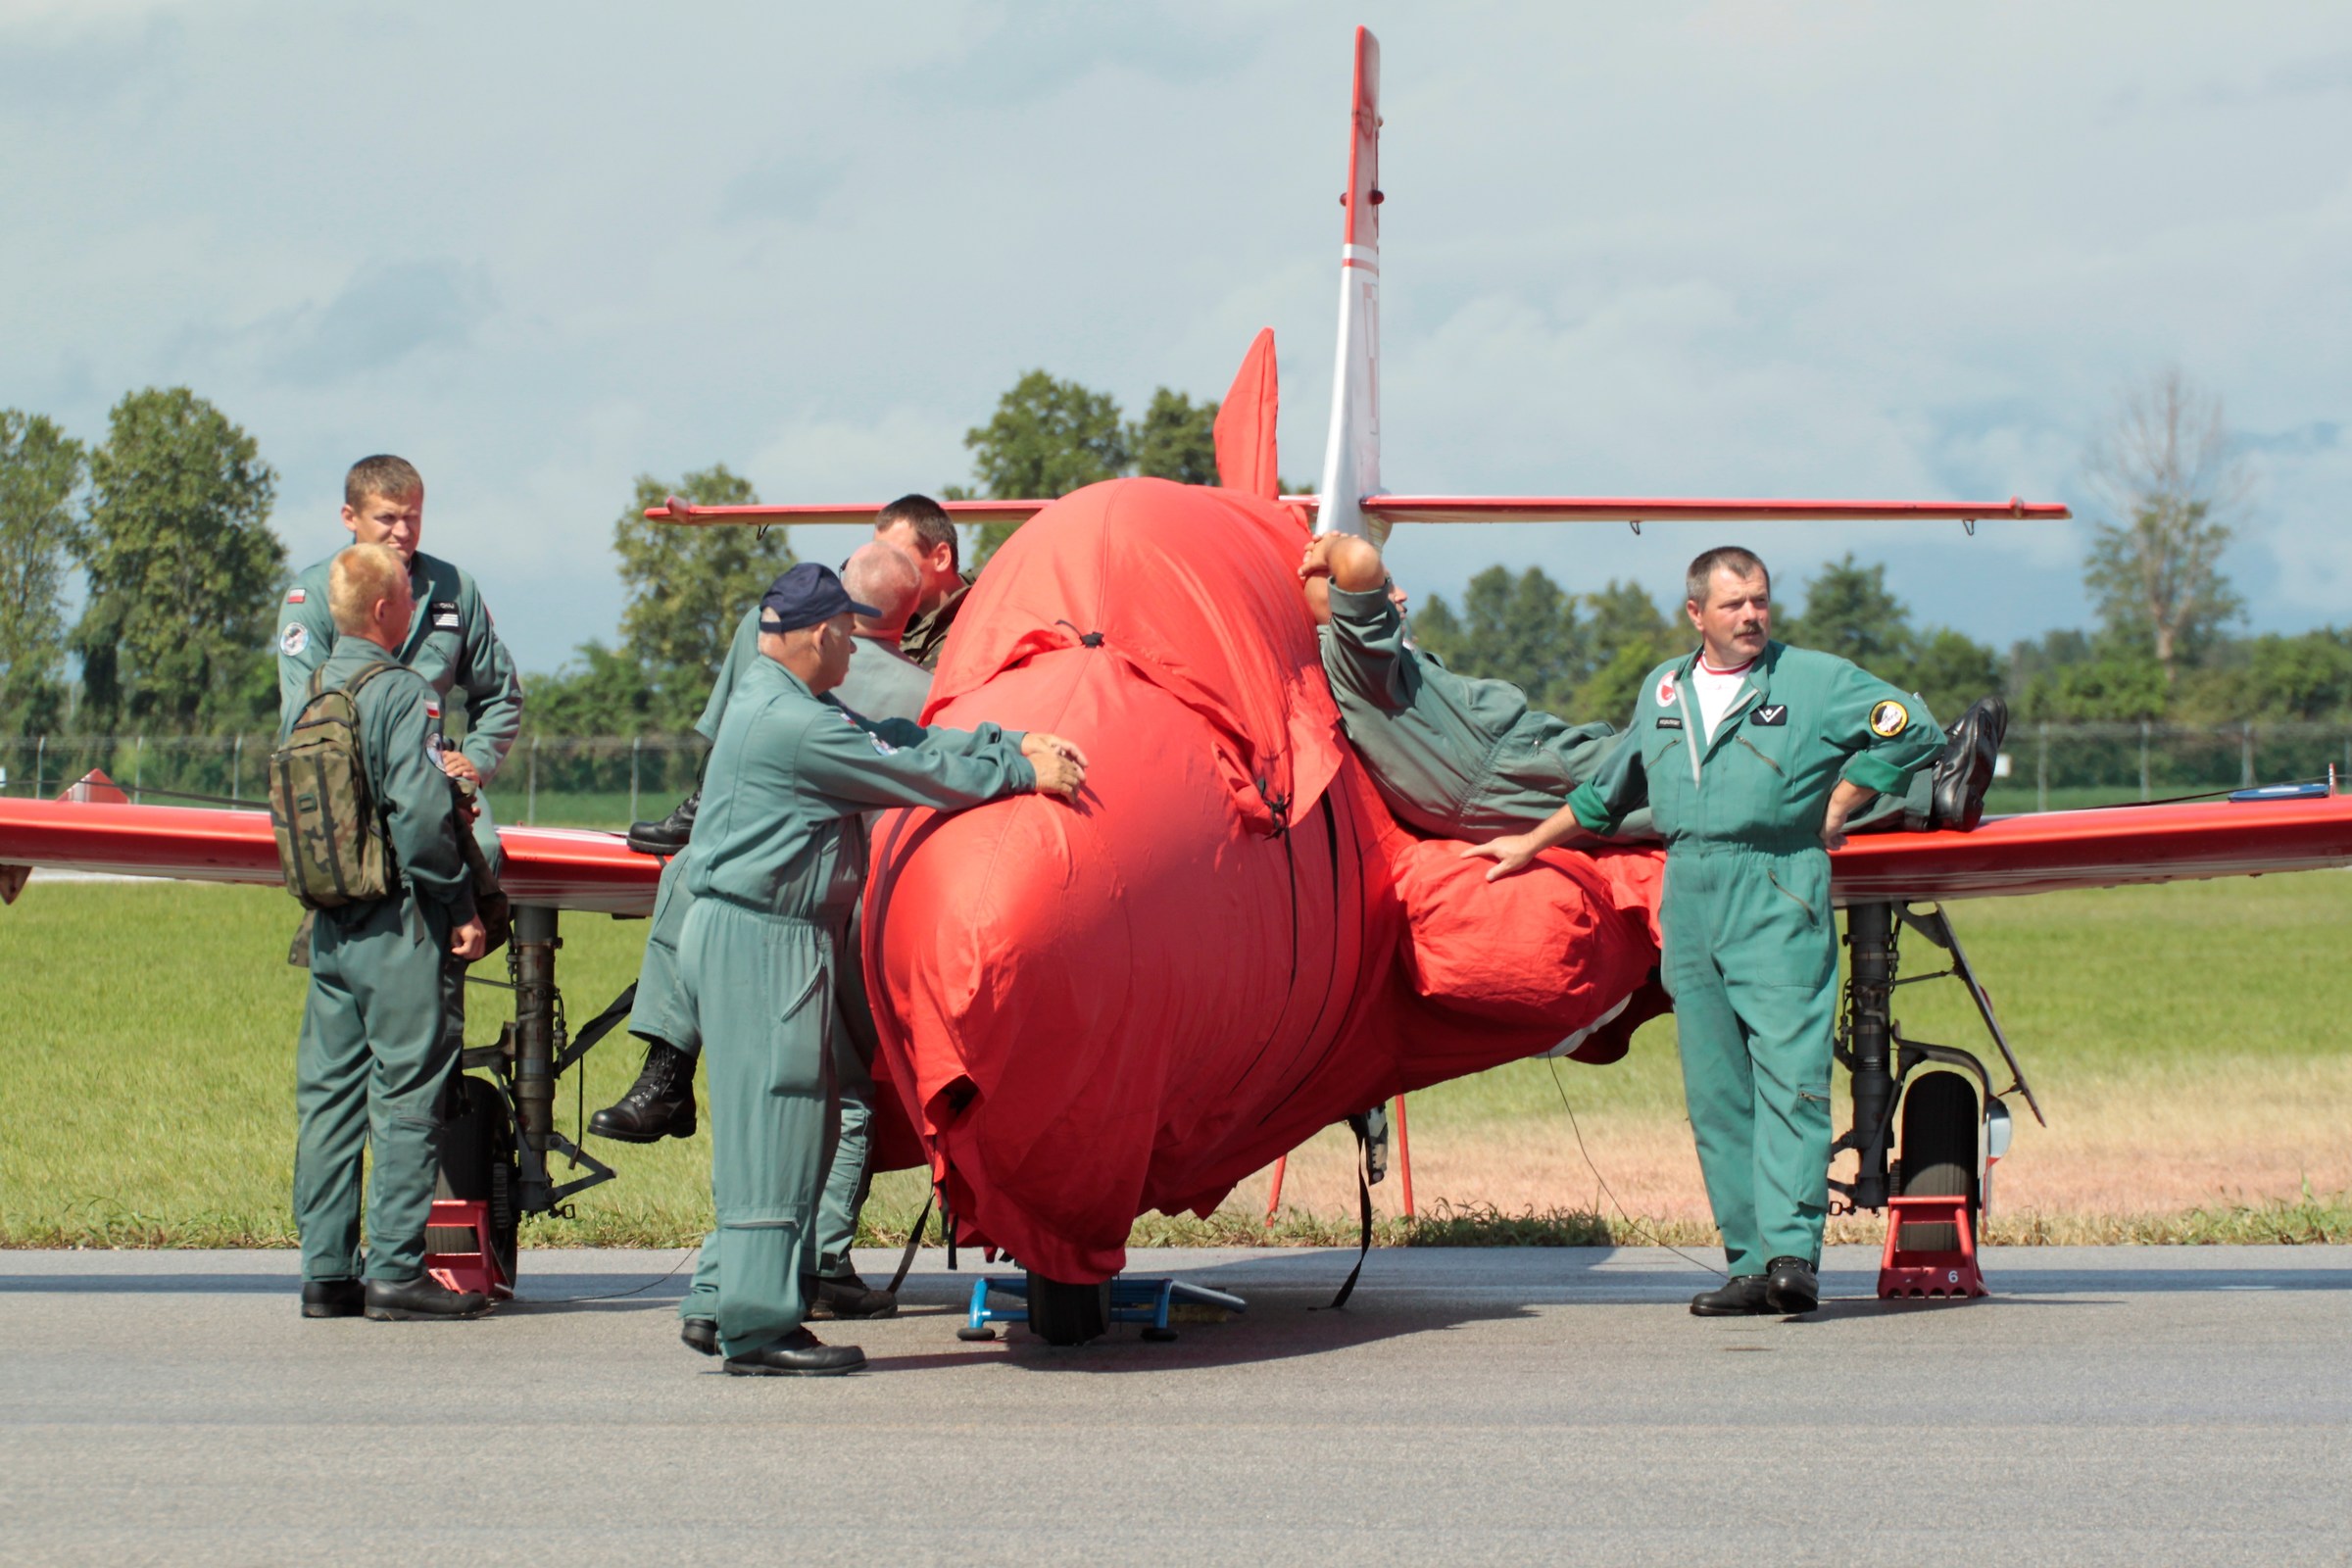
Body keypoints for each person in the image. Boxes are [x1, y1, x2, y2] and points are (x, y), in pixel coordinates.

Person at [1465, 546, 1944, 1319]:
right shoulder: (1664, 688)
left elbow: (1911, 727)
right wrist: (1529, 843)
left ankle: (1794, 1254)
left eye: (1759, 600)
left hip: (1777, 884)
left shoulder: (1813, 680)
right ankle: (1749, 1263)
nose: (1752, 616)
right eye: (1734, 605)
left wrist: (1843, 800)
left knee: (1788, 1077)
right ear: (1697, 614)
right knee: (1718, 1091)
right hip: (1689, 890)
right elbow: (1609, 788)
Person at [677, 563, 1085, 1375]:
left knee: (793, 1123)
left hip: (756, 935)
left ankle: (719, 1299)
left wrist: (1000, 742)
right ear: (824, 633)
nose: (852, 644)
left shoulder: (780, 703)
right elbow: (912, 774)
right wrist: (1019, 772)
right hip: (767, 941)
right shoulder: (795, 726)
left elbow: (893, 738)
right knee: (781, 1127)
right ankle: (758, 1329)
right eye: (846, 632)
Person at [1298, 532, 2005, 844]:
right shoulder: (1360, 657)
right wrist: (1326, 548)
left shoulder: (1375, 665)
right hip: (1515, 777)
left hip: (1522, 768)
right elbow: (1356, 562)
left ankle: (1923, 771)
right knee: (1725, 779)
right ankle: (1926, 791)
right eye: (1388, 593)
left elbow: (1349, 585)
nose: (1401, 594)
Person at [291, 544, 492, 1321]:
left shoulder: (313, 688)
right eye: (406, 593)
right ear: (384, 611)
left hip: (330, 921)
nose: (414, 602)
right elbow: (418, 817)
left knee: (330, 1099)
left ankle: (327, 1274)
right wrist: (463, 906)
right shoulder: (403, 693)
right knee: (409, 1091)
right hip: (400, 921)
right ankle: (398, 1272)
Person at [277, 456, 524, 1054]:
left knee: (480, 846)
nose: (402, 533)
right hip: (348, 778)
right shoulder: (316, 595)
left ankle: (441, 993)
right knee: (355, 861)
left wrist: (478, 761)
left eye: (412, 518)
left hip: (435, 772)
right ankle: (349, 973)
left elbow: (501, 695)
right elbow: (299, 719)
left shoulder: (454, 589)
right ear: (349, 518)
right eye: (386, 518)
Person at [624, 494, 967, 856]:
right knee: (762, 620)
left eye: (895, 555)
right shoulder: (879, 615)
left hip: (891, 788)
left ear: (940, 557)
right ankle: (714, 793)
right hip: (836, 757)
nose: (881, 565)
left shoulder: (975, 622)